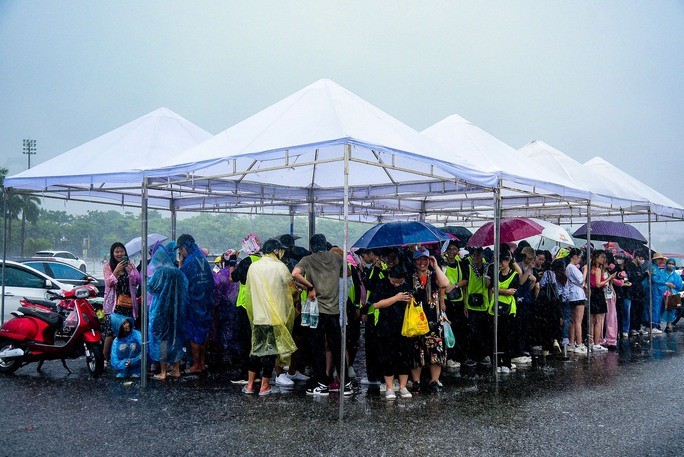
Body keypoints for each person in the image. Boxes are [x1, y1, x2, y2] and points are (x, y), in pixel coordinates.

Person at [292, 234, 349, 396]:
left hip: (315, 310)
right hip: (333, 310)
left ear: (312, 246)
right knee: (337, 347)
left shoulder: (307, 260)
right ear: (325, 244)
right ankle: (346, 383)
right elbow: (348, 274)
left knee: (317, 348)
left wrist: (310, 287)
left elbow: (295, 274)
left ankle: (322, 382)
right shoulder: (336, 258)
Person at [242, 239, 297, 396]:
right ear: (275, 250)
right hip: (275, 317)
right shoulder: (280, 266)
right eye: (280, 250)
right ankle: (265, 386)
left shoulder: (254, 266)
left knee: (256, 350)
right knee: (270, 351)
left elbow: (249, 291)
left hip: (258, 316)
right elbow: (291, 288)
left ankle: (250, 385)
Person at [408, 248, 449, 393]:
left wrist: (435, 265)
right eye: (419, 260)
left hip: (433, 319)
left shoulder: (434, 275)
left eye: (424, 259)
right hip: (416, 320)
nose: (422, 263)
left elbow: (445, 284)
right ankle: (416, 381)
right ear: (414, 262)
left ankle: (435, 380)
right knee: (416, 351)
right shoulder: (410, 277)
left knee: (435, 350)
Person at [371, 263, 413, 399]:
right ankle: (389, 386)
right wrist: (396, 298)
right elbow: (376, 304)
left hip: (404, 326)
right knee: (387, 356)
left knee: (404, 356)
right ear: (389, 276)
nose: (396, 285)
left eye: (399, 282)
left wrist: (410, 300)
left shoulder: (407, 285)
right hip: (386, 325)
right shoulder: (382, 283)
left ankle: (403, 386)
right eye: (394, 282)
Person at [147, 241, 188, 380]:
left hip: (161, 311)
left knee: (162, 340)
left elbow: (151, 288)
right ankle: (176, 369)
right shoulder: (177, 272)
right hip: (176, 310)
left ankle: (163, 371)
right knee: (175, 338)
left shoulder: (160, 272)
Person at [176, 234, 214, 374]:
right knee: (204, 333)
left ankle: (196, 364)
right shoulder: (202, 258)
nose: (181, 252)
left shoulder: (190, 261)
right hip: (206, 302)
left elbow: (182, 279)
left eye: (181, 249)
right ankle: (202, 362)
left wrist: (180, 264)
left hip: (194, 303)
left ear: (185, 246)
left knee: (194, 334)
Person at [230, 234, 262, 384]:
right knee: (257, 339)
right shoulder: (262, 261)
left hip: (244, 305)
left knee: (245, 341)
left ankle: (245, 373)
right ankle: (258, 373)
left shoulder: (246, 263)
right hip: (260, 305)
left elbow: (233, 278)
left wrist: (232, 262)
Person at [103, 242, 141, 368]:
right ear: (112, 253)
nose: (119, 254)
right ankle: (105, 359)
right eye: (116, 252)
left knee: (128, 332)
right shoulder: (108, 267)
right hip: (114, 306)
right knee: (111, 333)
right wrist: (116, 271)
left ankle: (126, 360)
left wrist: (131, 271)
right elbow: (109, 283)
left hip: (128, 305)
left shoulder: (130, 265)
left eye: (121, 251)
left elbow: (137, 281)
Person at [488, 250, 519, 374]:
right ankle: (497, 362)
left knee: (507, 337)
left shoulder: (514, 274)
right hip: (494, 308)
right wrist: (504, 291)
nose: (500, 264)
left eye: (502, 261)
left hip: (508, 309)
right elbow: (492, 288)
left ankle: (506, 362)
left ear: (508, 261)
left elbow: (513, 290)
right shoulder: (496, 273)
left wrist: (499, 290)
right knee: (496, 337)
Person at [462, 246, 492, 368]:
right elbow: (465, 285)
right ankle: (472, 355)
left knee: (484, 331)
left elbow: (489, 285)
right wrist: (464, 304)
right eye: (473, 254)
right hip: (470, 302)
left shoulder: (488, 265)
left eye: (478, 254)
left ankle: (484, 355)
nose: (476, 257)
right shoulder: (466, 264)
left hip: (484, 303)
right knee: (472, 332)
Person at [441, 240, 467, 369]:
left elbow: (465, 280)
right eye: (450, 249)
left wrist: (454, 285)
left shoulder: (460, 264)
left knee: (459, 330)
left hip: (458, 300)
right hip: (447, 301)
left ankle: (457, 355)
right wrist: (442, 302)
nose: (452, 252)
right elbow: (440, 283)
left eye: (454, 249)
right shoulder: (443, 265)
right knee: (447, 330)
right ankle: (448, 356)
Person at [589, 250, 613, 352]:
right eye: (602, 257)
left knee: (591, 320)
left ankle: (591, 341)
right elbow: (598, 284)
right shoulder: (597, 270)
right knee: (598, 320)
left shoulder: (590, 268)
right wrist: (609, 278)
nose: (604, 259)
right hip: (598, 294)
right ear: (596, 258)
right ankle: (596, 342)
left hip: (592, 294)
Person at [565, 248, 588, 355]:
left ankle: (571, 342)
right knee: (578, 321)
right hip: (578, 295)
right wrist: (585, 271)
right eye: (579, 257)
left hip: (572, 295)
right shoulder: (572, 267)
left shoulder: (568, 267)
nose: (579, 259)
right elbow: (581, 280)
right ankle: (579, 343)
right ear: (575, 256)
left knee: (573, 321)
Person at [109, 314, 143, 379]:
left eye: (127, 322)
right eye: (124, 323)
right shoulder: (116, 341)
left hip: (137, 362)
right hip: (125, 364)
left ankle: (136, 370)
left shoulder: (136, 333)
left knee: (133, 346)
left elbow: (144, 348)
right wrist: (124, 363)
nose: (127, 325)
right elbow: (114, 359)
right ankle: (123, 371)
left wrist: (133, 361)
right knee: (123, 347)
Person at [660, 258, 683, 333]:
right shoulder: (662, 273)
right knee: (660, 308)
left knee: (672, 310)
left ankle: (668, 325)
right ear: (666, 264)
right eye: (669, 263)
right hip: (662, 293)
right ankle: (658, 324)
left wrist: (674, 286)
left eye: (672, 264)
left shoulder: (676, 275)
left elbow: (680, 285)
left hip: (673, 293)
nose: (671, 265)